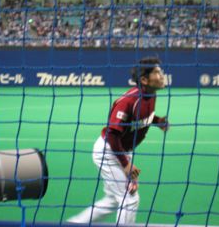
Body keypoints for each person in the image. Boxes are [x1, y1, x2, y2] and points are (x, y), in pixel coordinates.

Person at [68, 56, 169, 224]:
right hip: (109, 152)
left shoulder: (151, 95)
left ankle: (75, 224)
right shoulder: (130, 100)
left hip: (119, 151)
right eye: (157, 72)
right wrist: (126, 164)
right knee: (129, 199)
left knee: (113, 200)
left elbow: (142, 117)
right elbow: (112, 134)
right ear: (144, 79)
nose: (162, 75)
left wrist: (158, 121)